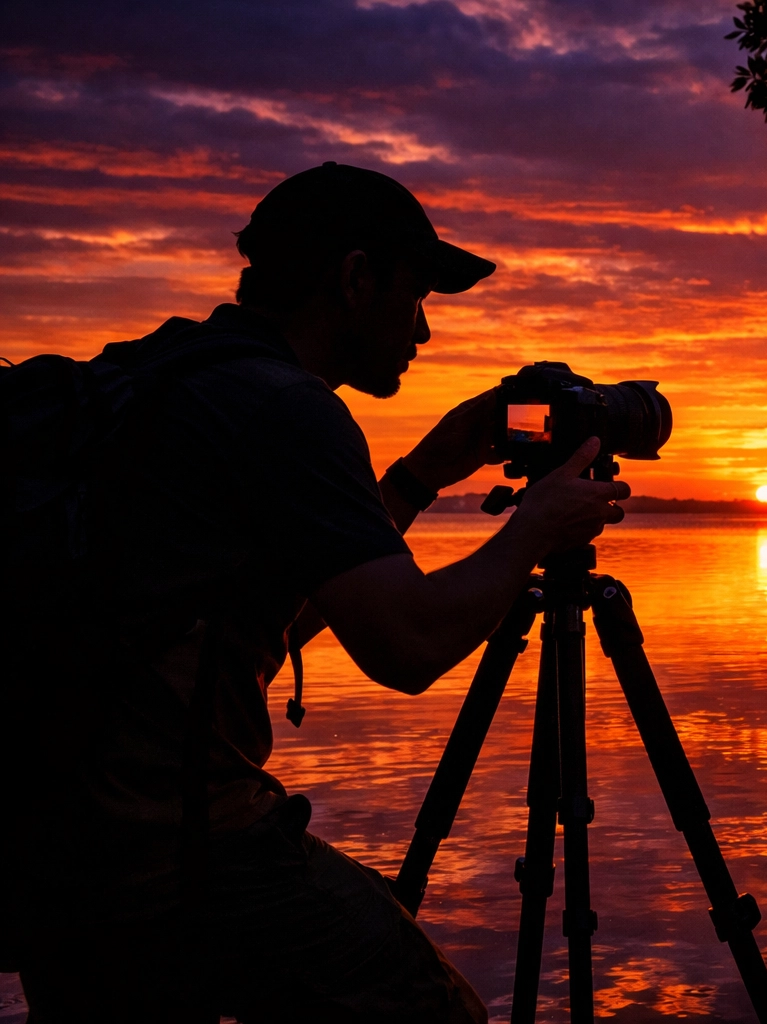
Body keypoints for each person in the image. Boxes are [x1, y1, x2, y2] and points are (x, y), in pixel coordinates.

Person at [8, 162, 629, 1022]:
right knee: (427, 1006)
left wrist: (414, 479)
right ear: (355, 278)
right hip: (177, 849)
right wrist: (536, 532)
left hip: (51, 843)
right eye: (416, 298)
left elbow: (247, 627)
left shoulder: (166, 373)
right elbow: (405, 649)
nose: (422, 331)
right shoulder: (286, 410)